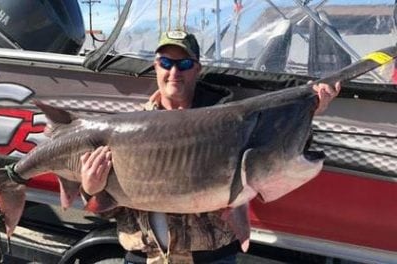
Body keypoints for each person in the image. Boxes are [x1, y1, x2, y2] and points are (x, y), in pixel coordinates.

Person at [80, 30, 341, 263]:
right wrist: (90, 189)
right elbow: (108, 211)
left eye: (183, 64)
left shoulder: (228, 124)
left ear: (197, 69)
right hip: (145, 256)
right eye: (166, 63)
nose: (174, 72)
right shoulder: (127, 130)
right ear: (155, 67)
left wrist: (310, 110)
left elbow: (280, 150)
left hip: (210, 258)